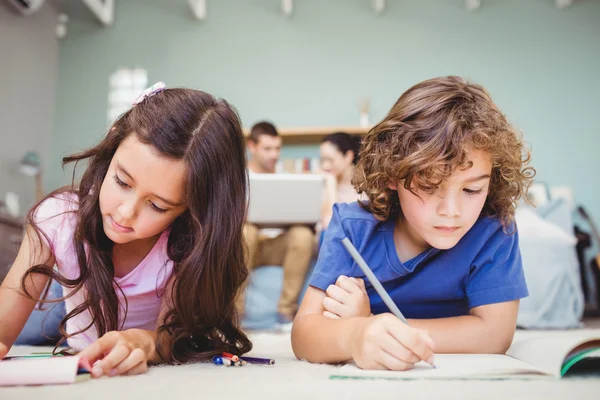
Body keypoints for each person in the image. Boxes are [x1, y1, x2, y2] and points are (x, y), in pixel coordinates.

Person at [0, 83, 252, 377]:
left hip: (86, 297)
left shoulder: (189, 244)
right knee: (33, 328)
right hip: (69, 284)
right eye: (121, 181)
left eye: (157, 206)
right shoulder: (56, 217)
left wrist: (144, 342)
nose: (125, 213)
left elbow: (172, 337)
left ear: (190, 210)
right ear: (112, 146)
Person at [291, 76, 535, 371]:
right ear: (393, 174)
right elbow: (304, 333)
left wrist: (370, 322)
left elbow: (494, 335)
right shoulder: (352, 228)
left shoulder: (494, 230)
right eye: (429, 186)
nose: (451, 211)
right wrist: (356, 336)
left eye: (471, 190)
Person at [242, 121, 315, 330]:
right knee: (247, 231)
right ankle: (234, 313)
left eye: (277, 148)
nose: (274, 154)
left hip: (276, 246)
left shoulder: (288, 178)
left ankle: (286, 310)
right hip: (246, 244)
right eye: (267, 149)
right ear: (252, 146)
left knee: (303, 235)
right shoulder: (237, 177)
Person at [319, 132, 362, 232]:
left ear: (348, 156)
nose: (325, 166)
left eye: (330, 160)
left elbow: (335, 226)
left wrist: (331, 184)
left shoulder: (363, 190)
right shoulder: (323, 186)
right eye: (323, 160)